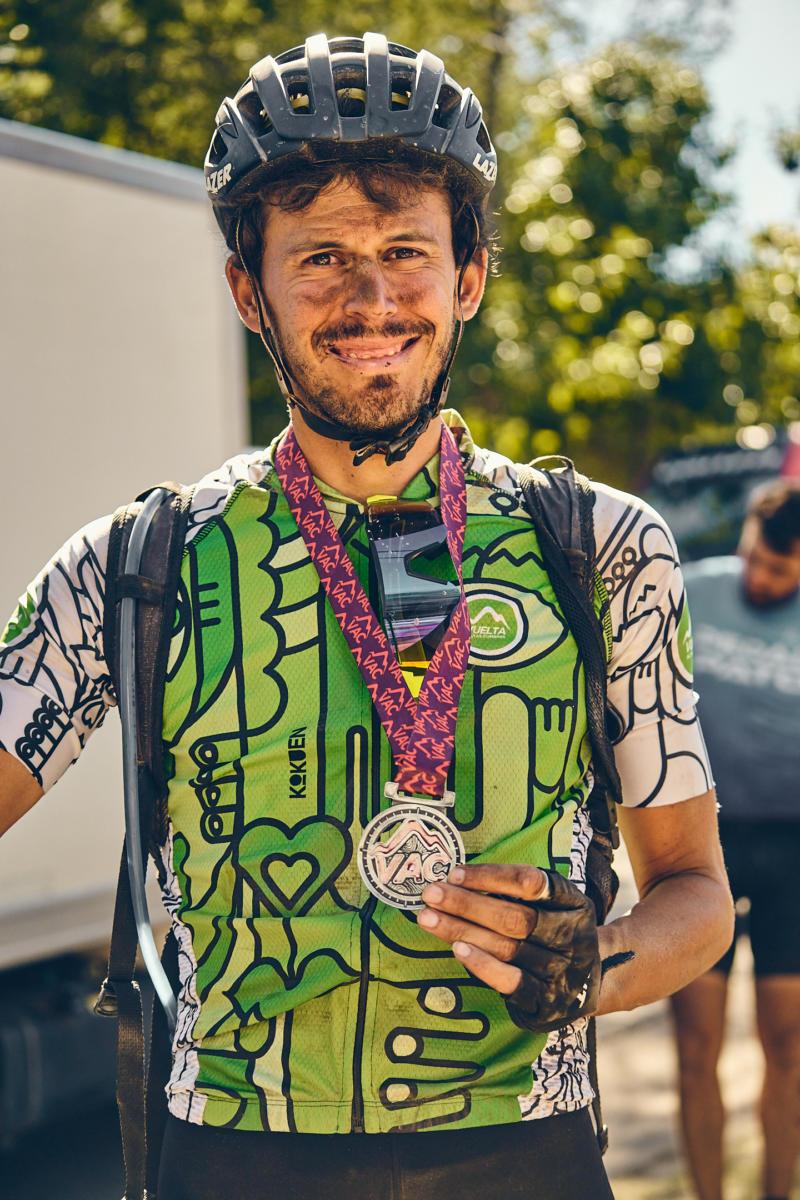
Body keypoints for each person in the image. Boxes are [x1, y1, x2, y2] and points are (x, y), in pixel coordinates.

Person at [0, 33, 733, 1200]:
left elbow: (694, 895)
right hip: (233, 1152)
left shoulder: (599, 548)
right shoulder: (139, 564)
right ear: (247, 290)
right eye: (321, 258)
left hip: (522, 1152)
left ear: (468, 276)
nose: (371, 300)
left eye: (405, 253)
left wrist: (590, 964)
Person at [671, 479, 800, 1200]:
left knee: (788, 1047)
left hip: (794, 850)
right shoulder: (692, 592)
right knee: (696, 1046)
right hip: (700, 843)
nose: (761, 576)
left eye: (780, 570)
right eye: (755, 557)